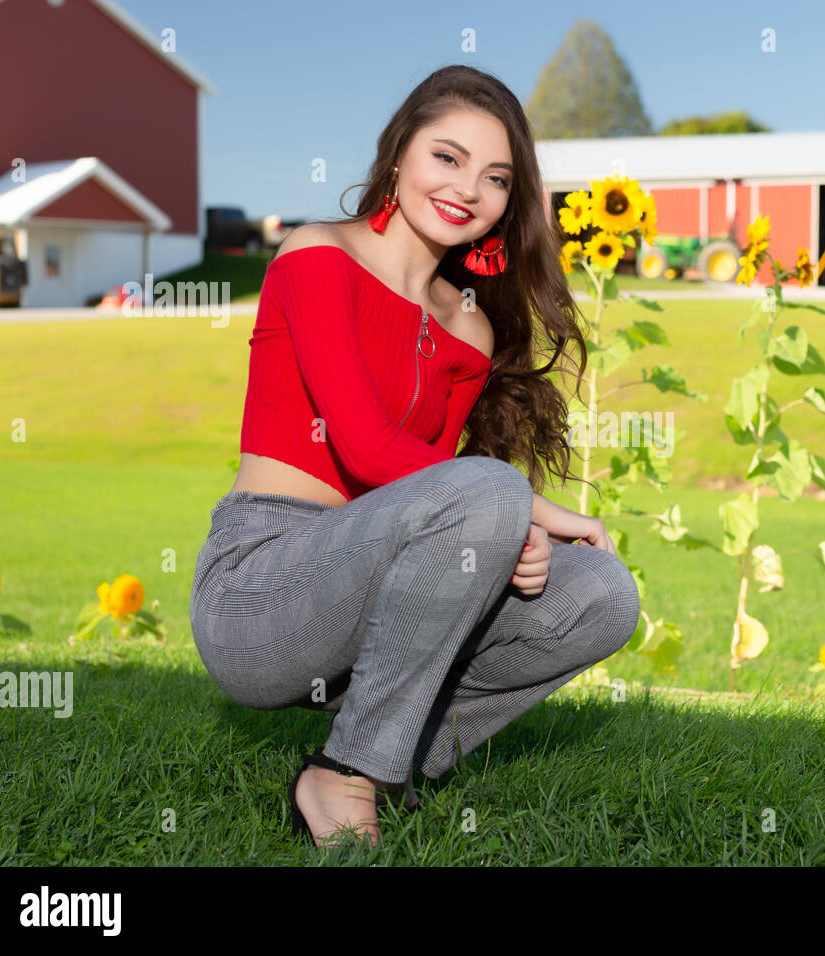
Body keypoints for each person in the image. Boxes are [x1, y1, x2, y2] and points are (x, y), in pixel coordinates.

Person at [188, 65, 641, 849]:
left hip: (370, 587)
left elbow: (425, 492)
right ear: (399, 154)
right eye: (448, 157)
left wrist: (507, 542)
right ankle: (352, 773)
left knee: (603, 592)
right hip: (258, 597)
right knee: (494, 491)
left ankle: (365, 761)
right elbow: (364, 445)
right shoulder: (315, 255)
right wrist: (532, 509)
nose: (469, 187)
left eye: (496, 177)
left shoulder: (469, 329)